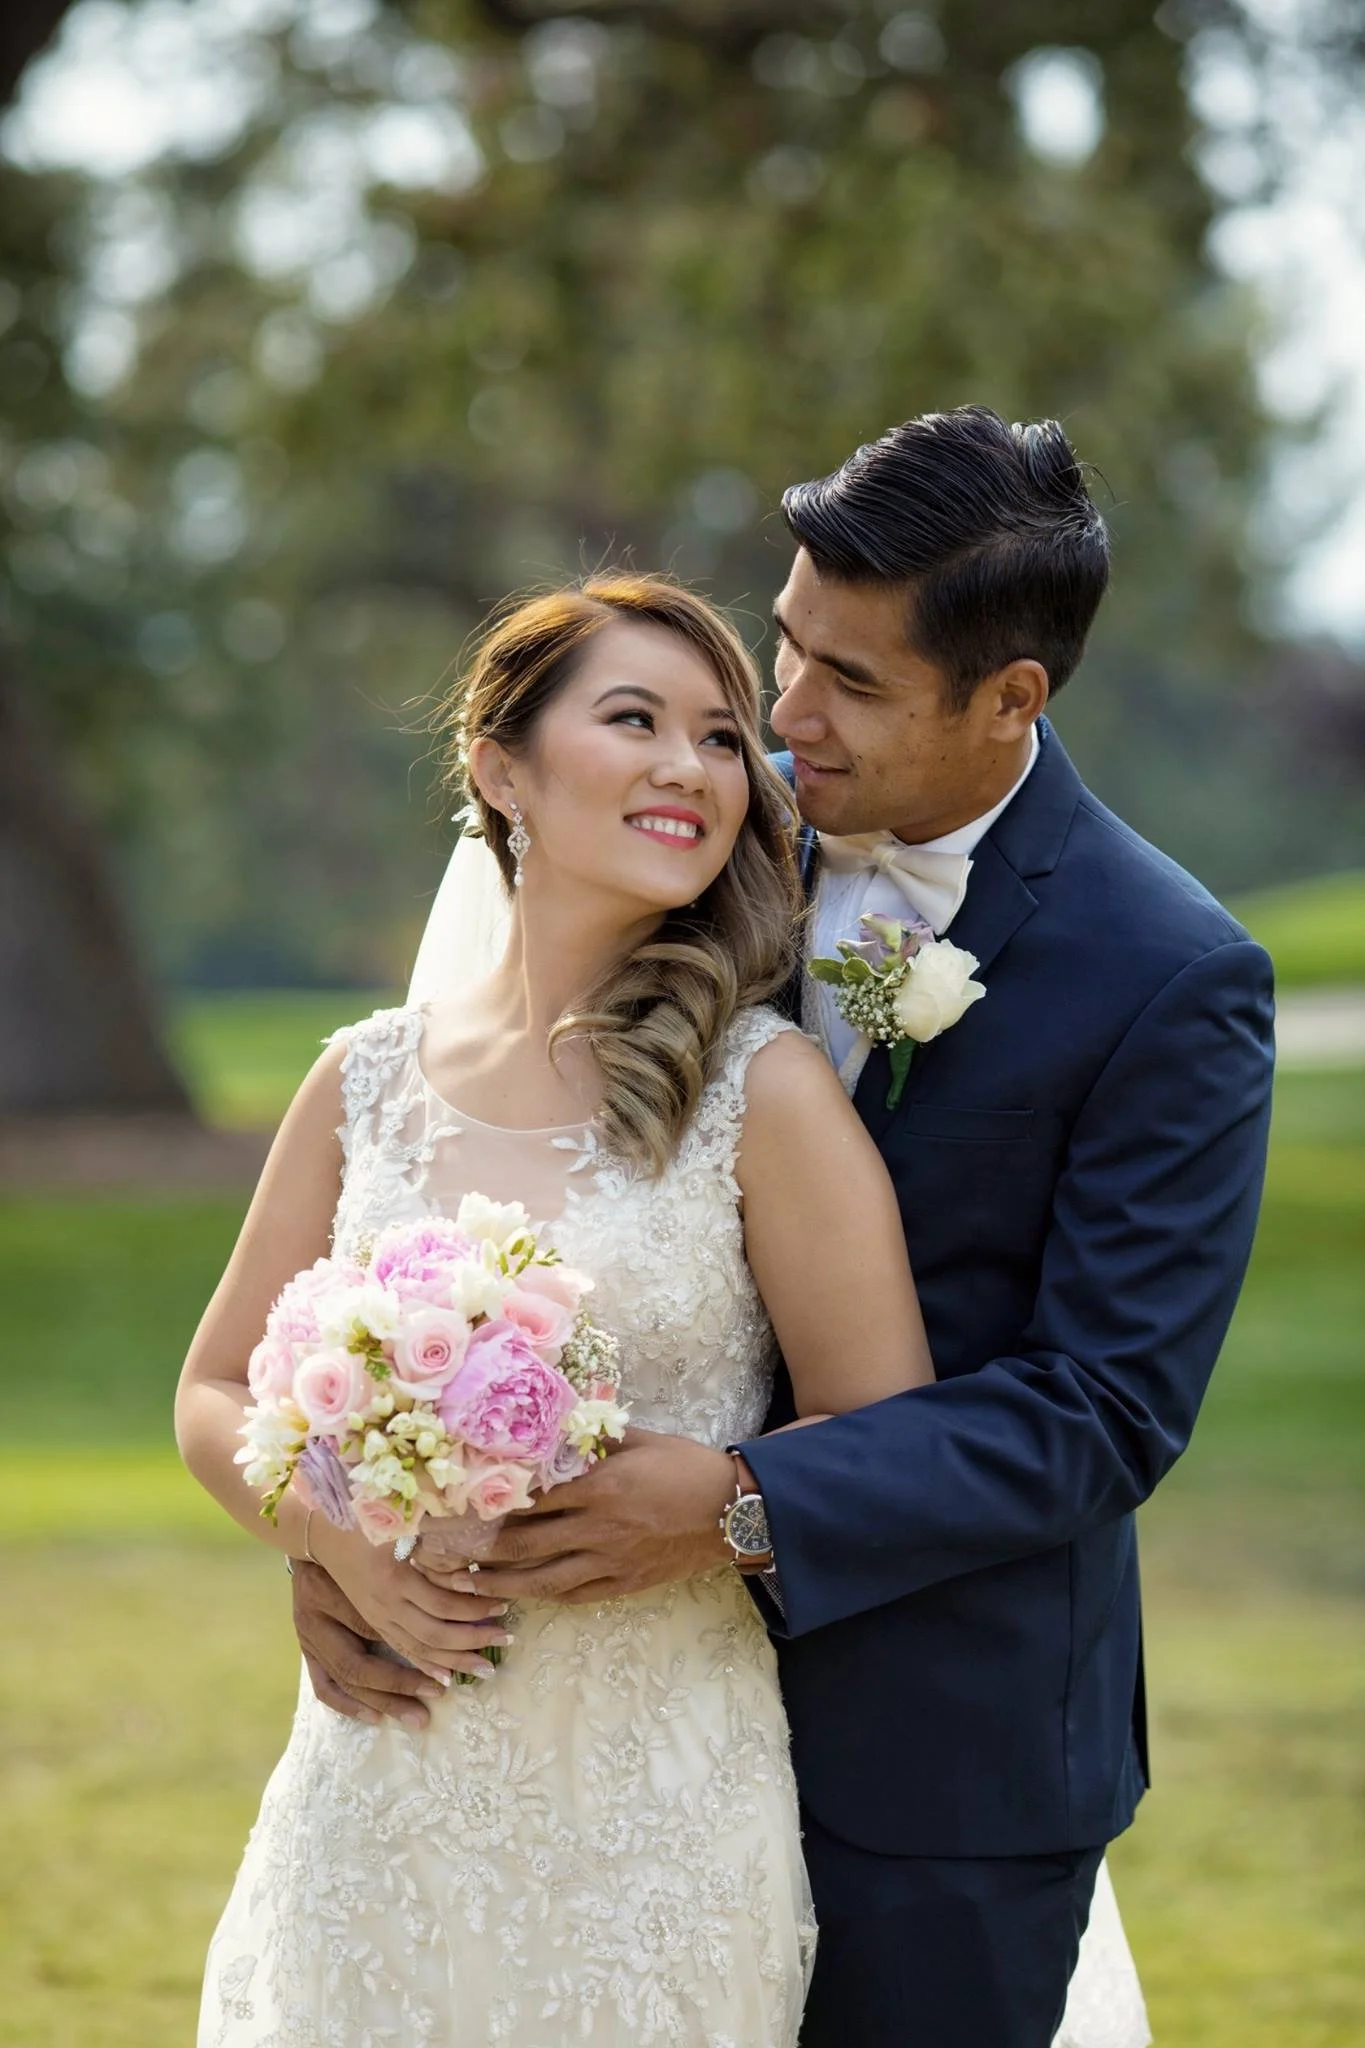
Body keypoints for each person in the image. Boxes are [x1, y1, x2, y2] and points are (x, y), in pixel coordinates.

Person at [293, 408, 1275, 2047]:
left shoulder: (1169, 976)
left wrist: (743, 1506)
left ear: (1012, 697)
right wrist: (366, 1522)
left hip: (938, 1757)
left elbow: (1103, 1412)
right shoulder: (692, 840)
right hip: (571, 1716)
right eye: (787, 645)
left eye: (856, 685)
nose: (782, 721)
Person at [181, 573, 956, 2044]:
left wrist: (723, 1503)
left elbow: (890, 1440)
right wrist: (330, 1541)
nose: (690, 765)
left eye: (724, 738)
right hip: (383, 1787)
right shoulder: (363, 1081)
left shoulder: (761, 1092)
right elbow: (213, 1393)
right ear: (499, 765)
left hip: (652, 1806)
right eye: (634, 720)